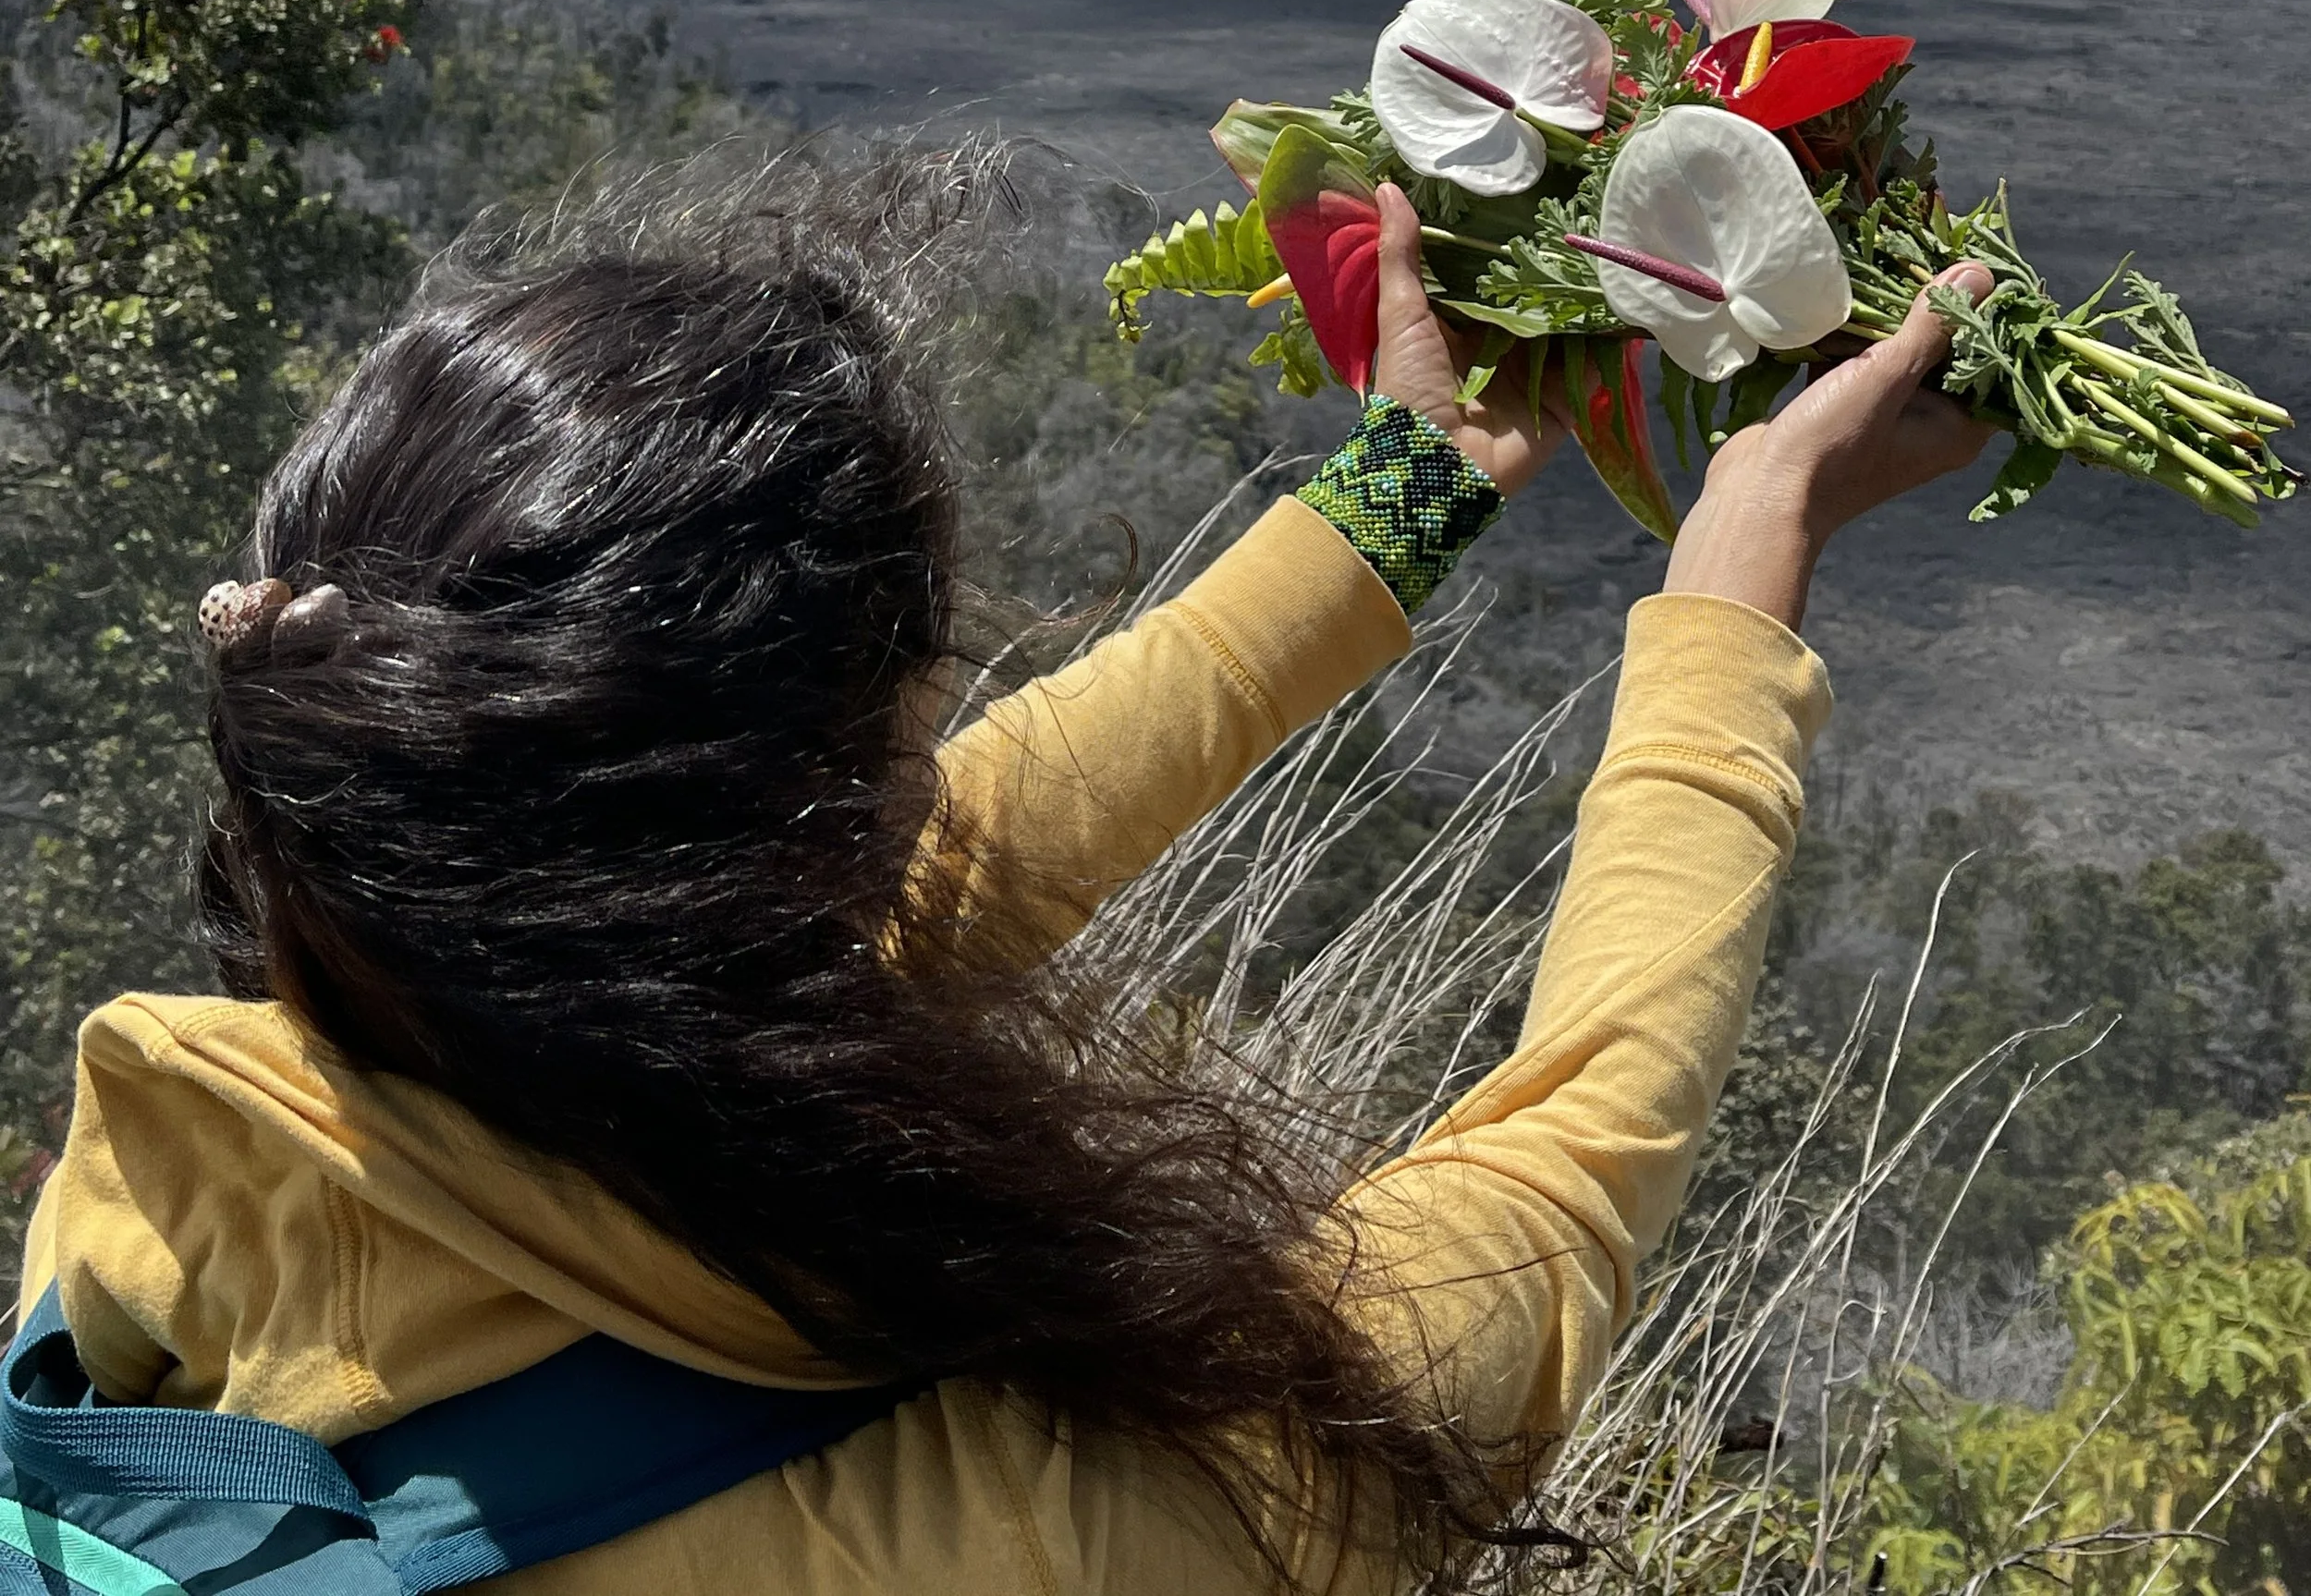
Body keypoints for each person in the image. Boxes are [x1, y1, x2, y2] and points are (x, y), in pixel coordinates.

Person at [20, 153, 1994, 1593]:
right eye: (923, 703)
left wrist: (1406, 486)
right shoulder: (1016, 1543)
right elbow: (1572, 1159)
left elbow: (889, 869)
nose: (953, 757)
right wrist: (1743, 555)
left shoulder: (178, 1175)